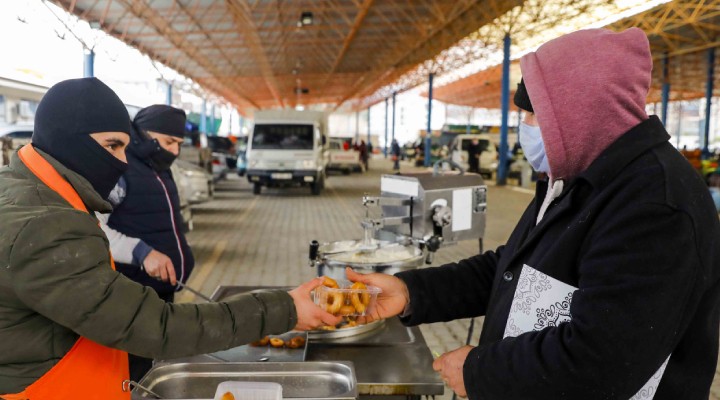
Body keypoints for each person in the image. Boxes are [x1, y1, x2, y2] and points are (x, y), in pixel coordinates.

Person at [346, 28, 720, 399]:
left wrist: (481, 371)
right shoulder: (576, 177)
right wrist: (413, 292)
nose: (524, 128)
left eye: (534, 114)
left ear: (581, 112)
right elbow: (512, 268)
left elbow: (603, 360)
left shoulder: (655, 206)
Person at [0, 78, 341, 398]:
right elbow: (155, 327)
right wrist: (284, 309)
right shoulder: (45, 226)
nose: (121, 161)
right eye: (112, 145)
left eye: (124, 147)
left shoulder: (24, 190)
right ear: (68, 138)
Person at [96, 105, 194, 381]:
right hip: (133, 296)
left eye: (179, 144)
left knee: (156, 367)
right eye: (169, 142)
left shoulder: (159, 168)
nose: (175, 151)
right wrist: (141, 252)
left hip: (161, 293)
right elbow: (93, 228)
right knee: (137, 373)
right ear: (145, 134)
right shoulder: (120, 172)